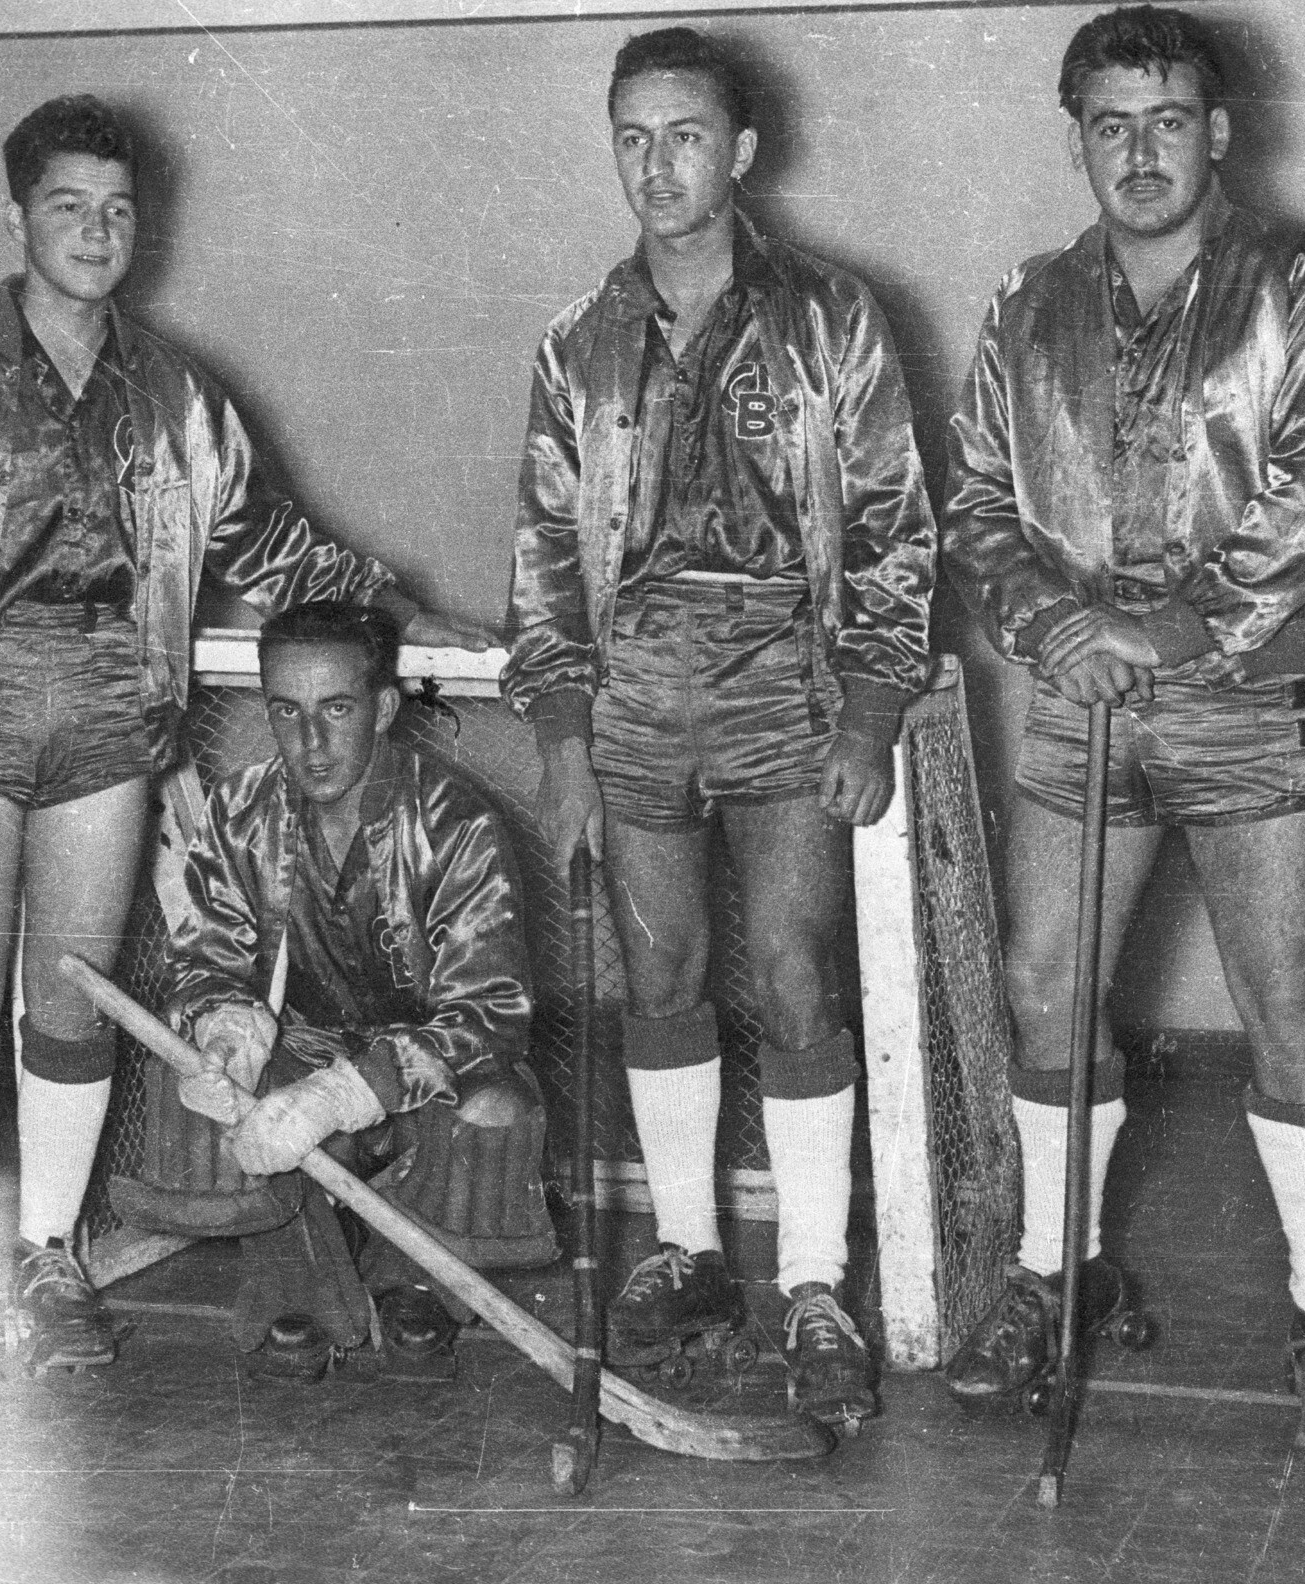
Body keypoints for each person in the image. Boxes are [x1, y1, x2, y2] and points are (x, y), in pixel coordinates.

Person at [0, 96, 486, 1392]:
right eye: (68, 207)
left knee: (69, 1002)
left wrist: (400, 609)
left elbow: (273, 541)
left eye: (118, 211)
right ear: (14, 216)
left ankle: (41, 1254)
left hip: (108, 727)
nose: (96, 232)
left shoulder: (175, 394)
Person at [939, 5, 1305, 1482]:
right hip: (1081, 690)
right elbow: (975, 504)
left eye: (1167, 121)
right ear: (1077, 136)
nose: (1139, 152)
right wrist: (1058, 629)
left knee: (1284, 1006)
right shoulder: (1025, 302)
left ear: (1218, 131)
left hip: (1247, 689)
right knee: (1041, 984)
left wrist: (1177, 630)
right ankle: (1055, 1273)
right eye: (1110, 125)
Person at [504, 26, 935, 1430]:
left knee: (797, 970)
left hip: (780, 669)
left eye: (684, 135)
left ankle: (812, 1284)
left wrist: (871, 704)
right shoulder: (579, 340)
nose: (656, 165)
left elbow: (890, 527)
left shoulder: (832, 315)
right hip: (634, 680)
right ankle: (688, 1251)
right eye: (631, 136)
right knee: (661, 971)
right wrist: (565, 736)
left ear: (741, 151)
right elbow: (545, 553)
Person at [158, 601, 551, 1381]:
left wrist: (345, 1095)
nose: (312, 741)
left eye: (336, 708)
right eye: (286, 710)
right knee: (190, 1081)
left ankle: (414, 1281)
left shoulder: (455, 821)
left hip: (431, 1077)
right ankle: (295, 1277)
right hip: (307, 1053)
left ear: (382, 707)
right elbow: (206, 960)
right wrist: (225, 1033)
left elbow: (488, 1012)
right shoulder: (240, 809)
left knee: (498, 1113)